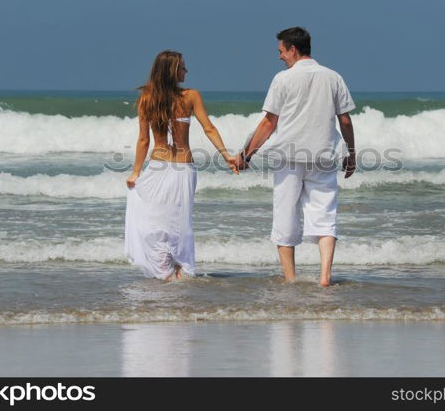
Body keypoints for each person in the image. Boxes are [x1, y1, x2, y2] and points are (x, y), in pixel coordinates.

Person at [237, 27, 356, 287]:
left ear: (293, 49)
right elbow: (345, 120)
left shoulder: (283, 79)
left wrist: (246, 155)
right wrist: (351, 153)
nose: (279, 56)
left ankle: (291, 280)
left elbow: (269, 122)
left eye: (281, 51)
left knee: (285, 217)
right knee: (324, 216)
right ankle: (324, 277)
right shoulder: (333, 77)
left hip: (289, 157)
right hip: (323, 156)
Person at [125, 50, 238, 281]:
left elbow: (144, 140)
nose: (186, 71)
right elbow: (209, 128)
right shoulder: (191, 96)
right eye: (183, 67)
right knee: (179, 222)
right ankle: (180, 271)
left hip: (157, 168)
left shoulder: (146, 98)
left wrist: (136, 172)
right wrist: (225, 155)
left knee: (154, 221)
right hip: (183, 170)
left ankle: (166, 272)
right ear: (172, 71)